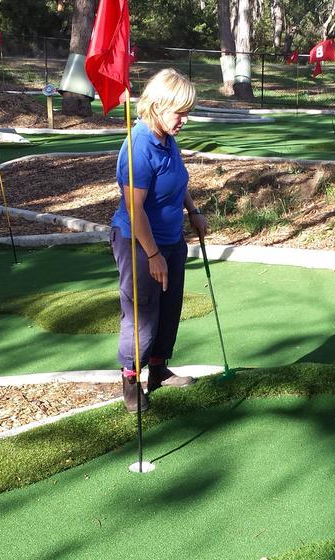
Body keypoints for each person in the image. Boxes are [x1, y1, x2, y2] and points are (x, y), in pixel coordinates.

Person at [110, 68, 208, 412]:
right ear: (158, 105)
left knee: (168, 310)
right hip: (138, 243)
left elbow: (177, 182)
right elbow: (135, 210)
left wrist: (193, 210)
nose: (184, 119)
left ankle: (158, 369)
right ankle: (130, 381)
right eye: (179, 112)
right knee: (142, 315)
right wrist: (152, 255)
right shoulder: (138, 146)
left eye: (187, 112)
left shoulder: (167, 138)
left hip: (170, 239)